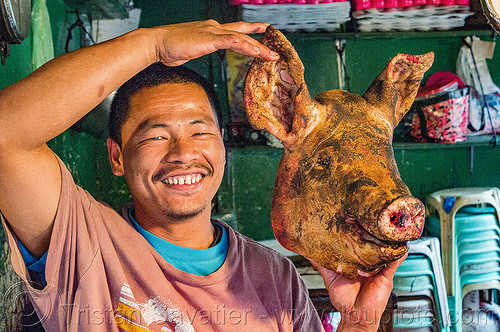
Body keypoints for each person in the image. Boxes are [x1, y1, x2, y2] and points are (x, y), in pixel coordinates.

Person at [0, 20, 405, 331]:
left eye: (200, 132)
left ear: (222, 147)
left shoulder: (276, 277)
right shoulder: (82, 242)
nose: (183, 154)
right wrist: (152, 44)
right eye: (156, 136)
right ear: (117, 157)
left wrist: (360, 323)